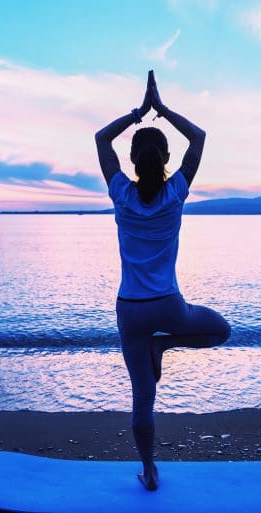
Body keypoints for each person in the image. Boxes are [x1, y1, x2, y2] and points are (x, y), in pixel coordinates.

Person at [94, 71, 231, 491]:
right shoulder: (176, 193)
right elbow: (201, 138)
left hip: (130, 309)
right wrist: (163, 109)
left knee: (142, 399)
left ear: (133, 160)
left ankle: (150, 472)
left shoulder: (121, 192)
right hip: (168, 304)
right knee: (221, 330)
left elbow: (101, 140)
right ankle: (165, 343)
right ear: (166, 157)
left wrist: (138, 112)